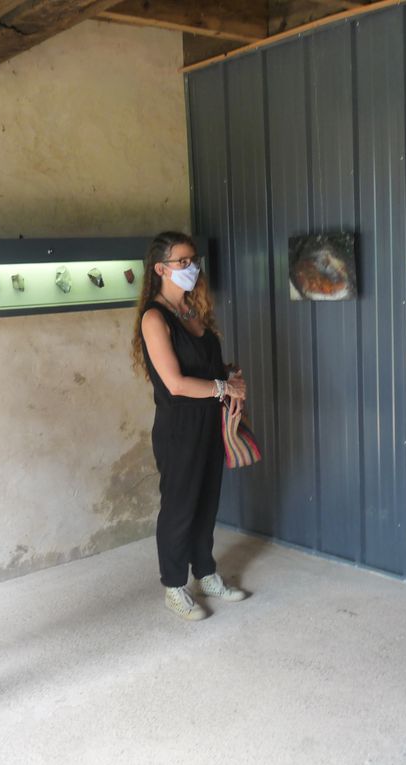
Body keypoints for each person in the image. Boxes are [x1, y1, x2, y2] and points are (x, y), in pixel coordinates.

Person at [132, 232, 249, 620]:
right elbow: (176, 383)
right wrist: (222, 386)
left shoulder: (192, 311)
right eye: (182, 261)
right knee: (180, 508)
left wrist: (228, 374)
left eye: (193, 260)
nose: (191, 268)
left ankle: (206, 573)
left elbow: (204, 368)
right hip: (179, 428)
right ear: (160, 268)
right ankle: (173, 586)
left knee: (206, 503)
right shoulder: (155, 317)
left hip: (210, 422)